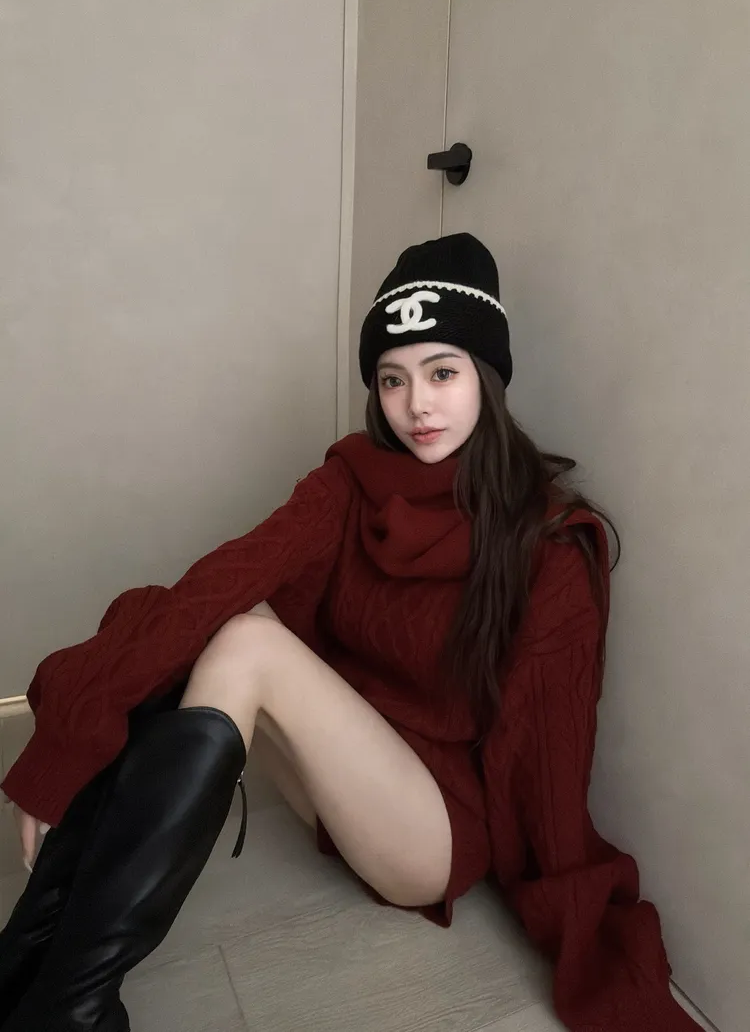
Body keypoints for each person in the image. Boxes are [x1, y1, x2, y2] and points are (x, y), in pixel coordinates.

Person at [0, 233, 700, 1032]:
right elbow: (217, 581)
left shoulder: (546, 541)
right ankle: (28, 954)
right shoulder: (349, 478)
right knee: (214, 614)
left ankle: (70, 1007)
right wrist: (70, 731)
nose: (417, 405)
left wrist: (572, 906)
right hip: (339, 775)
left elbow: (550, 759)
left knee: (247, 642)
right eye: (393, 379)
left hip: (433, 829)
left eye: (443, 372)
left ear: (488, 375)